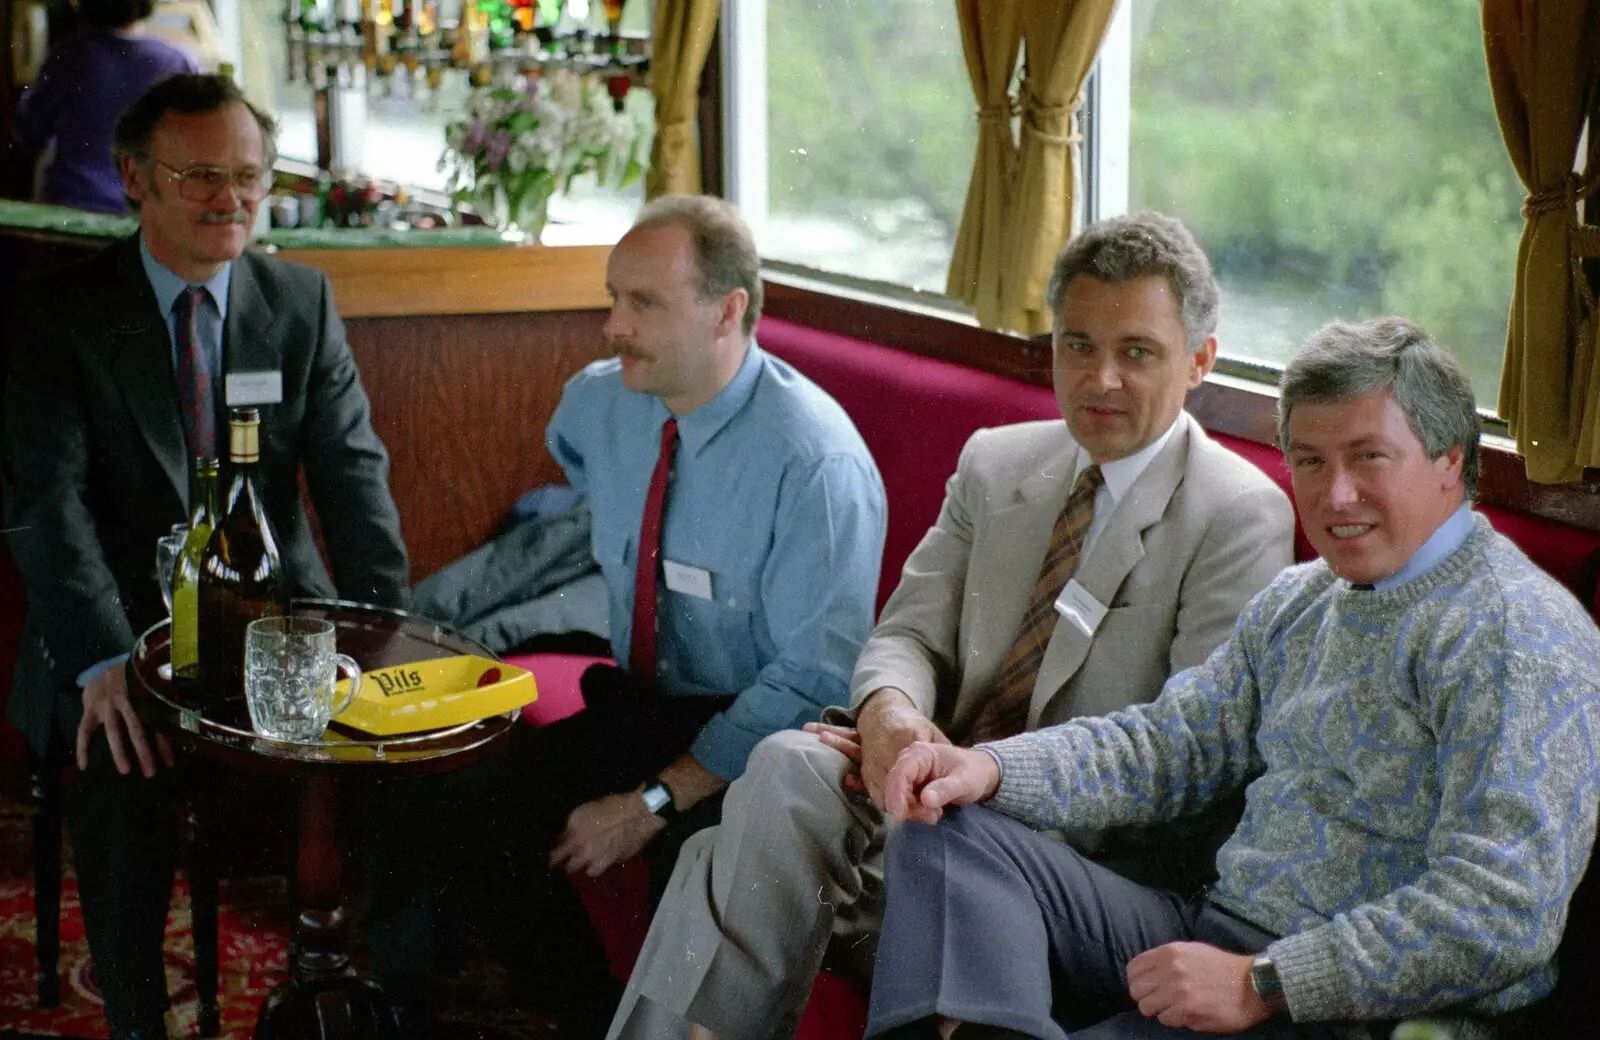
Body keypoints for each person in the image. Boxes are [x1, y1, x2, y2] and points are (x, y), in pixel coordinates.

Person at [608, 211, 1298, 1040]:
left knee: (715, 856)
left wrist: (977, 769)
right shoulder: (997, 462)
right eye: (1077, 345)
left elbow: (1188, 753)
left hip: (1069, 857)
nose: (1100, 378)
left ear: (1200, 362)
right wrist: (891, 717)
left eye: (1137, 352)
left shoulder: (1238, 511)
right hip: (927, 800)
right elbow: (904, 636)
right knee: (787, 764)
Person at [866, 317, 1600, 1040]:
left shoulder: (1515, 635)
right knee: (947, 825)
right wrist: (987, 767)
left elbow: (1503, 910)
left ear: (1450, 459)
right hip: (1210, 933)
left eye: (1368, 457)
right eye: (1309, 461)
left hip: (1346, 1010)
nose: (1335, 495)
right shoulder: (1302, 599)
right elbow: (1164, 747)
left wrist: (1267, 982)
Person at [358, 193, 888, 1032]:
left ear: (728, 310)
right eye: (613, 296)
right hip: (640, 697)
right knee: (462, 802)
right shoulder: (600, 402)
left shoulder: (814, 462)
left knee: (696, 862)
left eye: (644, 303)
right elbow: (578, 468)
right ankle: (584, 1012)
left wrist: (646, 805)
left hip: (763, 733)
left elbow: (816, 677)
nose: (613, 324)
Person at [1, 73, 409, 1040]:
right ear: (135, 180)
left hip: (269, 628)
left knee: (394, 761)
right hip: (114, 631)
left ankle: (394, 997)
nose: (232, 200)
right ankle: (139, 1018)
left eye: (249, 177)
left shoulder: (299, 301)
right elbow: (44, 509)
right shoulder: (57, 314)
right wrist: (100, 660)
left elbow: (353, 477)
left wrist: (384, 627)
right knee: (123, 758)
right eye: (201, 178)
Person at [5, 0, 199, 212]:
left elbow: (27, 132)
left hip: (71, 209)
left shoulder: (67, 58)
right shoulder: (179, 63)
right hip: (145, 216)